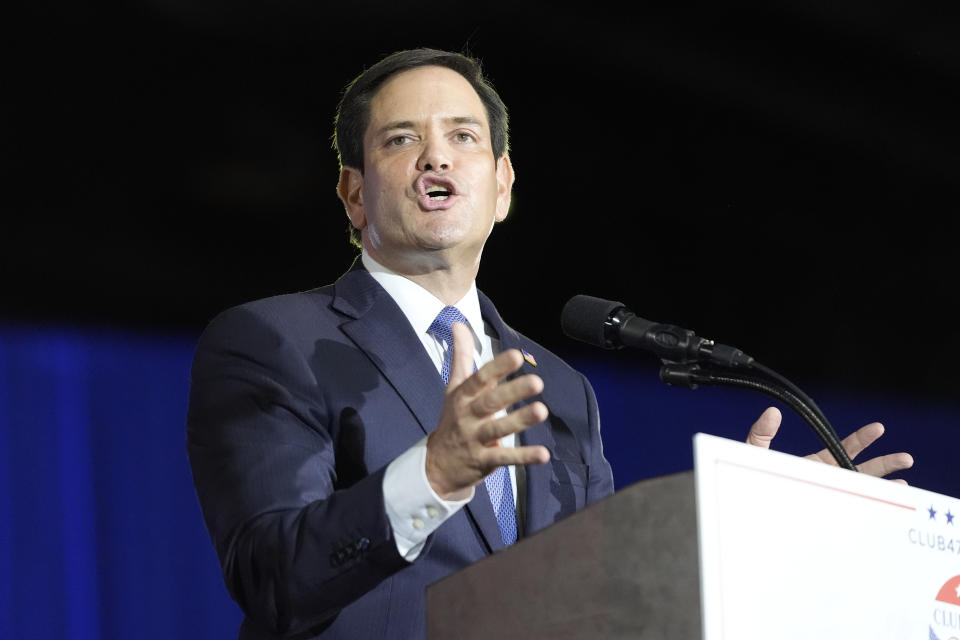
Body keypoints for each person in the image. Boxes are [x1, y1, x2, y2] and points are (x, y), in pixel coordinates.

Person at [186, 48, 913, 640]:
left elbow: (601, 604)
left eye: (463, 137)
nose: (436, 159)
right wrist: (433, 474)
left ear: (501, 187)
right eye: (402, 140)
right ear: (353, 193)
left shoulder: (561, 391)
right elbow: (273, 578)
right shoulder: (274, 340)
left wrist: (733, 532)